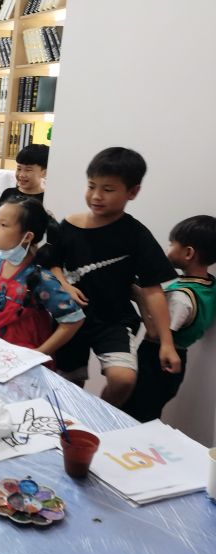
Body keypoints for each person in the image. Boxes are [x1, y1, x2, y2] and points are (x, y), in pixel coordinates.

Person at [48, 147, 181, 406]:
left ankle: (100, 418)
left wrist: (167, 343)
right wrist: (64, 285)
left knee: (123, 380)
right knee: (68, 382)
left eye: (108, 189)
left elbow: (153, 290)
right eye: (91, 186)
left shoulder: (136, 234)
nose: (96, 196)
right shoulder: (70, 225)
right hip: (70, 318)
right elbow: (52, 263)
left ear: (133, 192)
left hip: (114, 321)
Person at [121, 215, 216, 422]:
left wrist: (139, 298)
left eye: (172, 244)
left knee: (134, 414)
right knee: (148, 413)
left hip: (155, 362)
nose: (167, 249)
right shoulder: (208, 286)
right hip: (177, 361)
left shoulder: (181, 298)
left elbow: (156, 332)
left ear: (189, 253)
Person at [0, 196, 85, 360]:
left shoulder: (40, 277)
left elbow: (74, 319)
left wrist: (39, 353)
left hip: (20, 357)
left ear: (27, 237)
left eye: (3, 225)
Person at [0, 143, 49, 210]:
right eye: (19, 169)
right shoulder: (8, 193)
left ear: (44, 173)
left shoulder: (47, 199)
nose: (21, 175)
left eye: (28, 170)